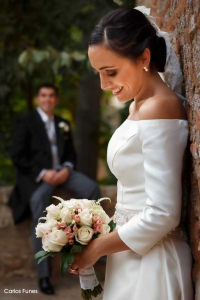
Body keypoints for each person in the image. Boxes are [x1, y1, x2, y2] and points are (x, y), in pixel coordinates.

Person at [67, 7, 194, 300]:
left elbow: (163, 213)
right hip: (127, 253)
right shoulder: (138, 104)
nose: (103, 84)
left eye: (110, 72)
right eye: (98, 73)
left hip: (152, 261)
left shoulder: (158, 108)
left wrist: (96, 249)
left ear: (144, 58)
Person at [9, 83, 101, 295]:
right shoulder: (26, 122)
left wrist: (67, 169)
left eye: (51, 96)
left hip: (63, 174)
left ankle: (95, 250)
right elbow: (18, 156)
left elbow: (71, 154)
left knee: (92, 189)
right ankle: (44, 275)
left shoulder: (62, 123)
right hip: (40, 178)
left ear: (56, 100)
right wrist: (43, 173)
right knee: (38, 208)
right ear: (37, 99)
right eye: (43, 96)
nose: (48, 99)